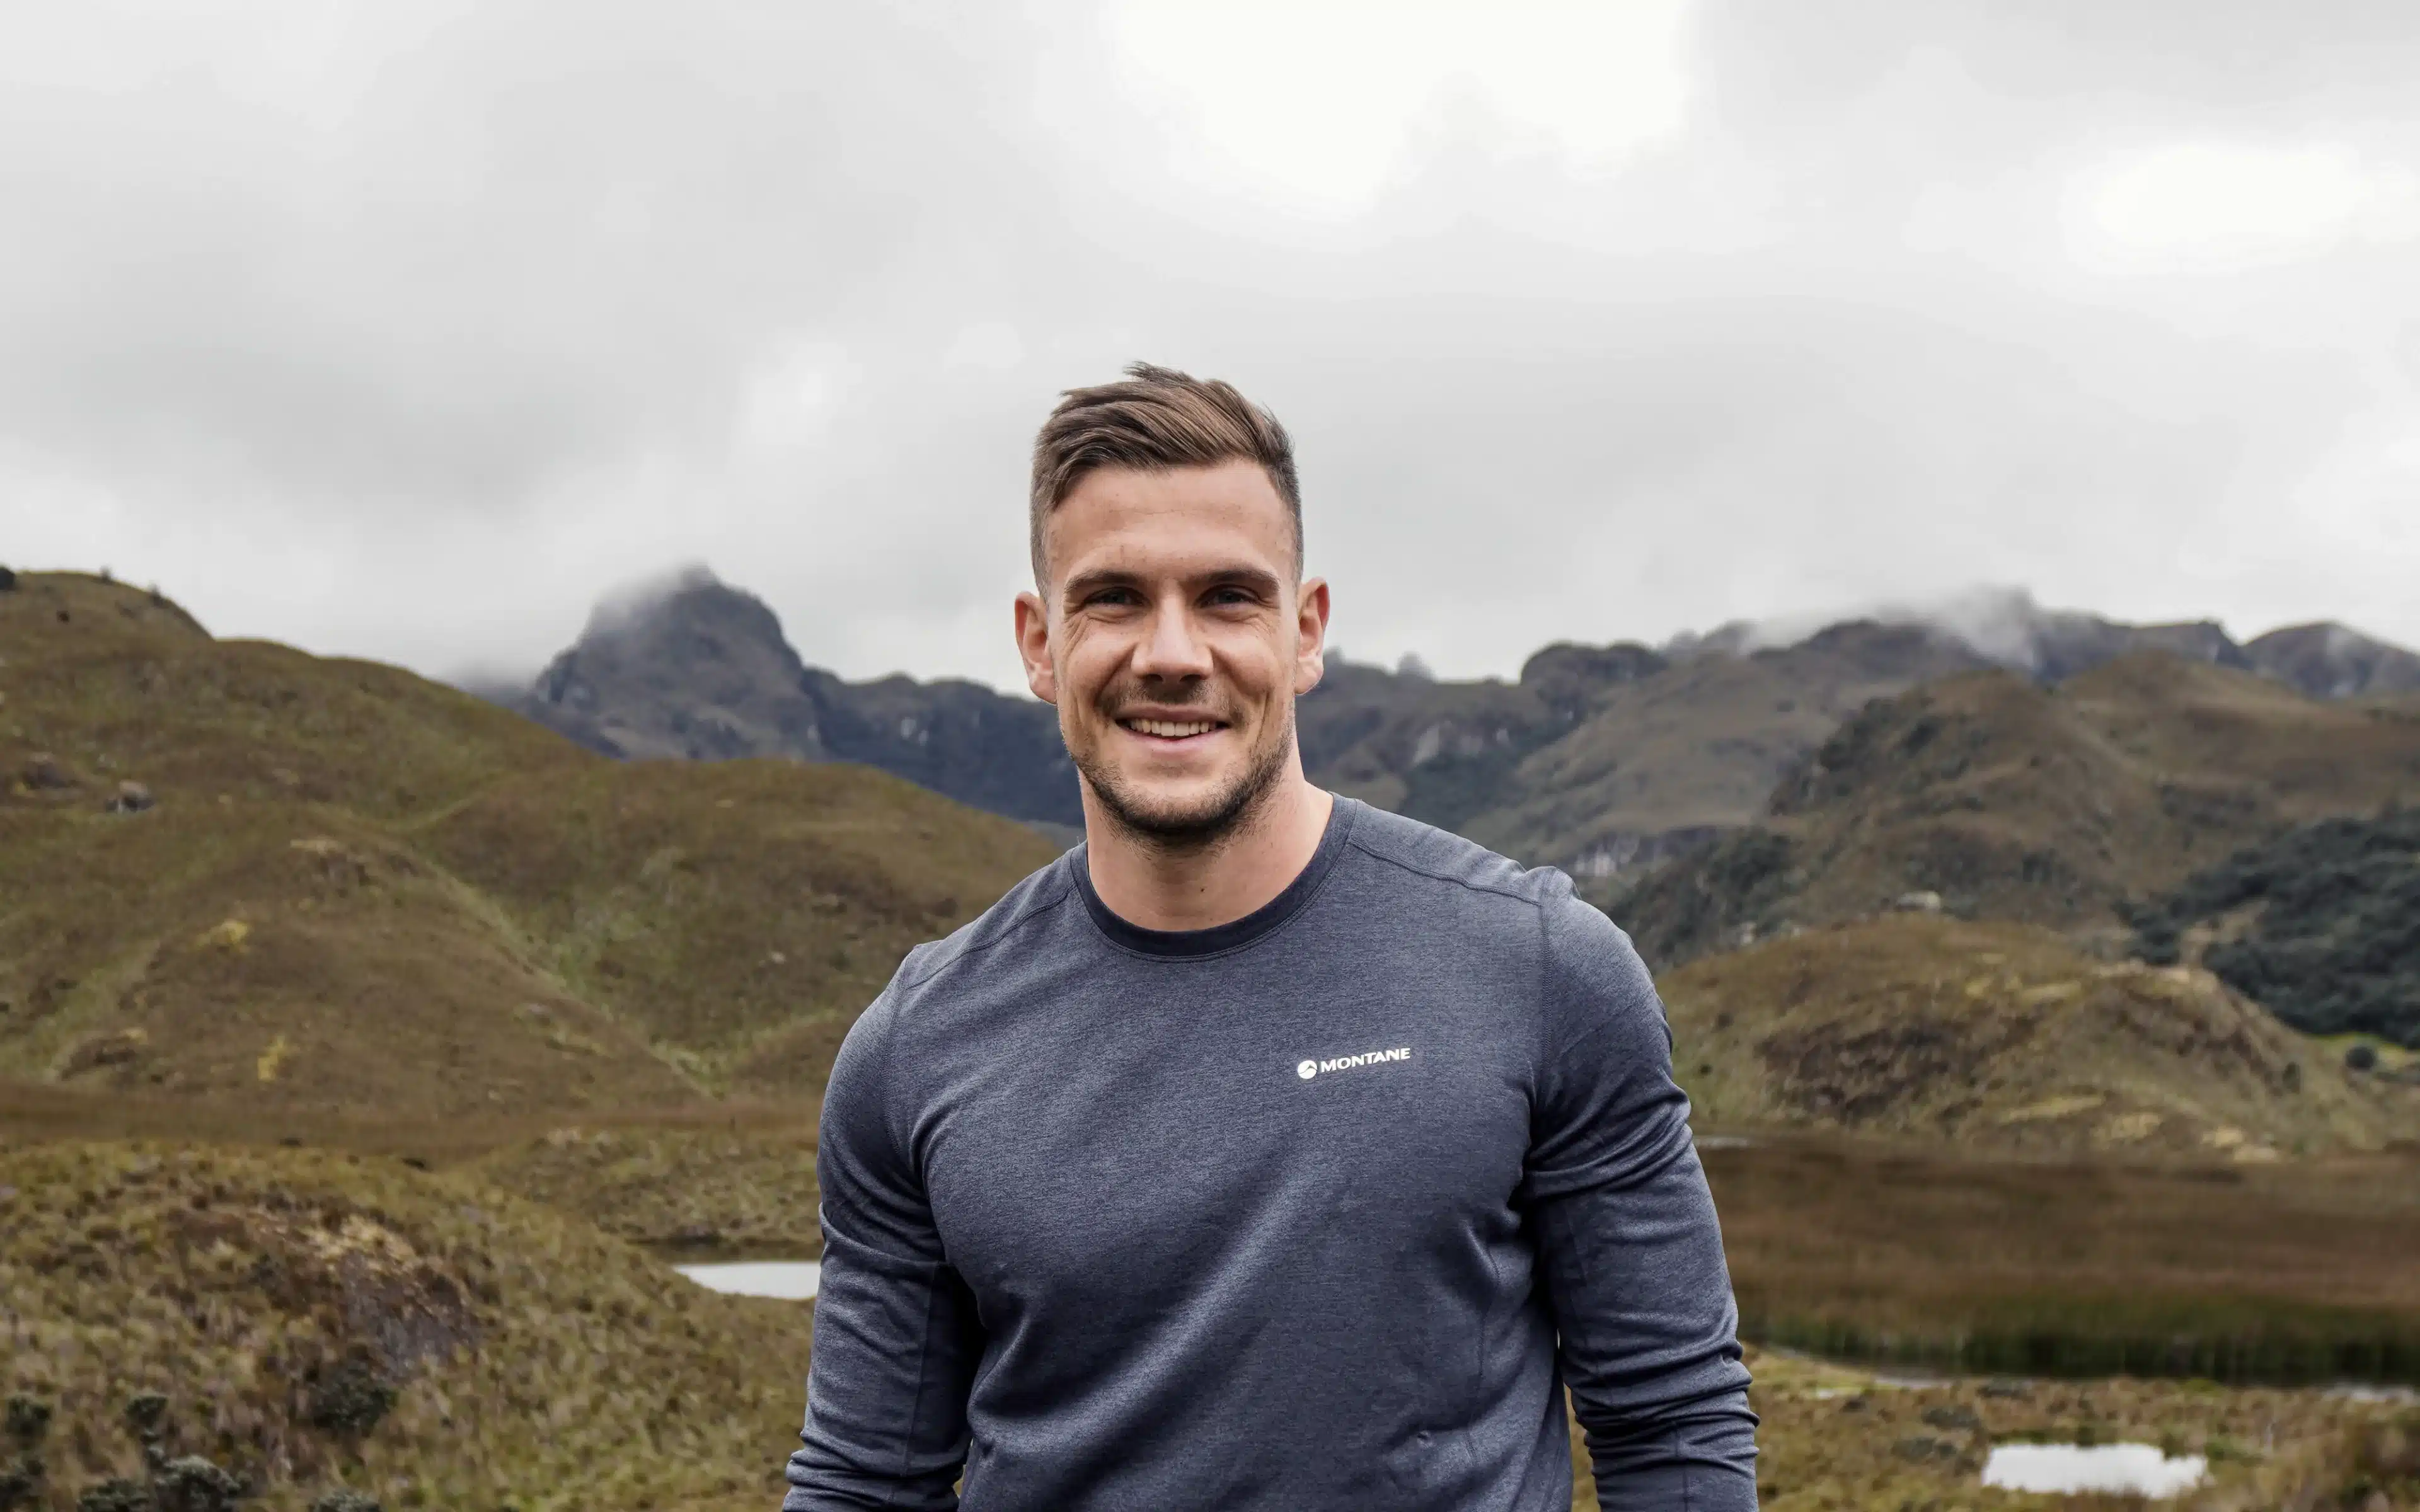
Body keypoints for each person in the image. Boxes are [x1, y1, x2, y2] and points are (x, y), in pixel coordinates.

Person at [785, 364, 1758, 1511]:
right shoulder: (916, 1050)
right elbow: (862, 1486)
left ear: (1305, 632)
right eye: (1112, 599)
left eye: (1228, 597)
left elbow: (1673, 1428)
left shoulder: (1541, 968)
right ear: (1039, 643)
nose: (1173, 653)